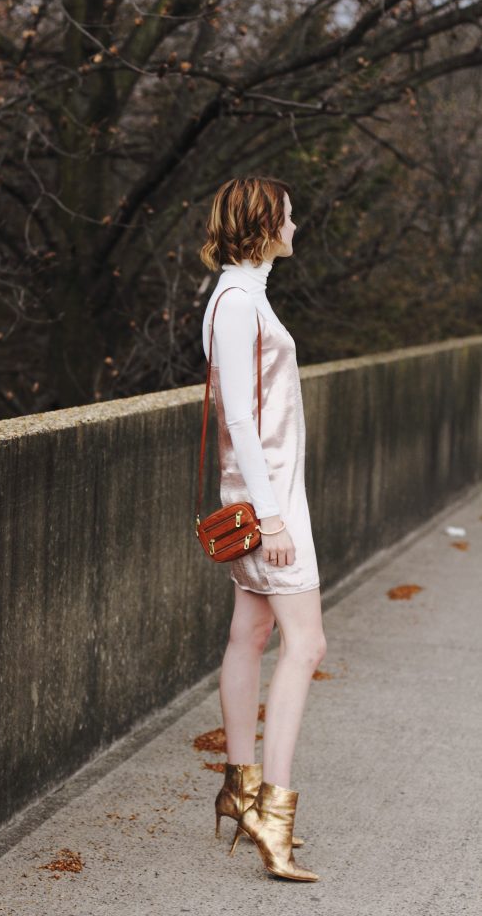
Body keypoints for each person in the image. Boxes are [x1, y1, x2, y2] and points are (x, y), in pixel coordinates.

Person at [199, 176, 327, 882]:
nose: (295, 222)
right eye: (288, 212)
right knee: (305, 644)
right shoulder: (237, 302)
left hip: (266, 498)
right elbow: (238, 418)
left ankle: (241, 789)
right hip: (267, 505)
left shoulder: (242, 295)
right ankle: (272, 816)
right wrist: (274, 516)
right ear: (261, 224)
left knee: (249, 634)